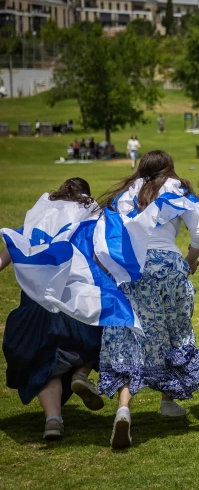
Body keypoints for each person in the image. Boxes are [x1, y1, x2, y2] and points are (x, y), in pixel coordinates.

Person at [96, 151, 199, 449]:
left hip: (134, 268)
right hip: (170, 264)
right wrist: (190, 260)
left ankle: (124, 408)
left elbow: (114, 234)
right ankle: (168, 401)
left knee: (130, 335)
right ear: (169, 168)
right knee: (175, 330)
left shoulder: (125, 194)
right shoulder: (177, 189)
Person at [0, 179, 107, 440]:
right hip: (75, 301)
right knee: (102, 337)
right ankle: (82, 374)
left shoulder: (39, 219)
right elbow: (102, 256)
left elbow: (9, 252)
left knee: (43, 361)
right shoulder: (89, 220)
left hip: (38, 305)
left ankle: (53, 420)